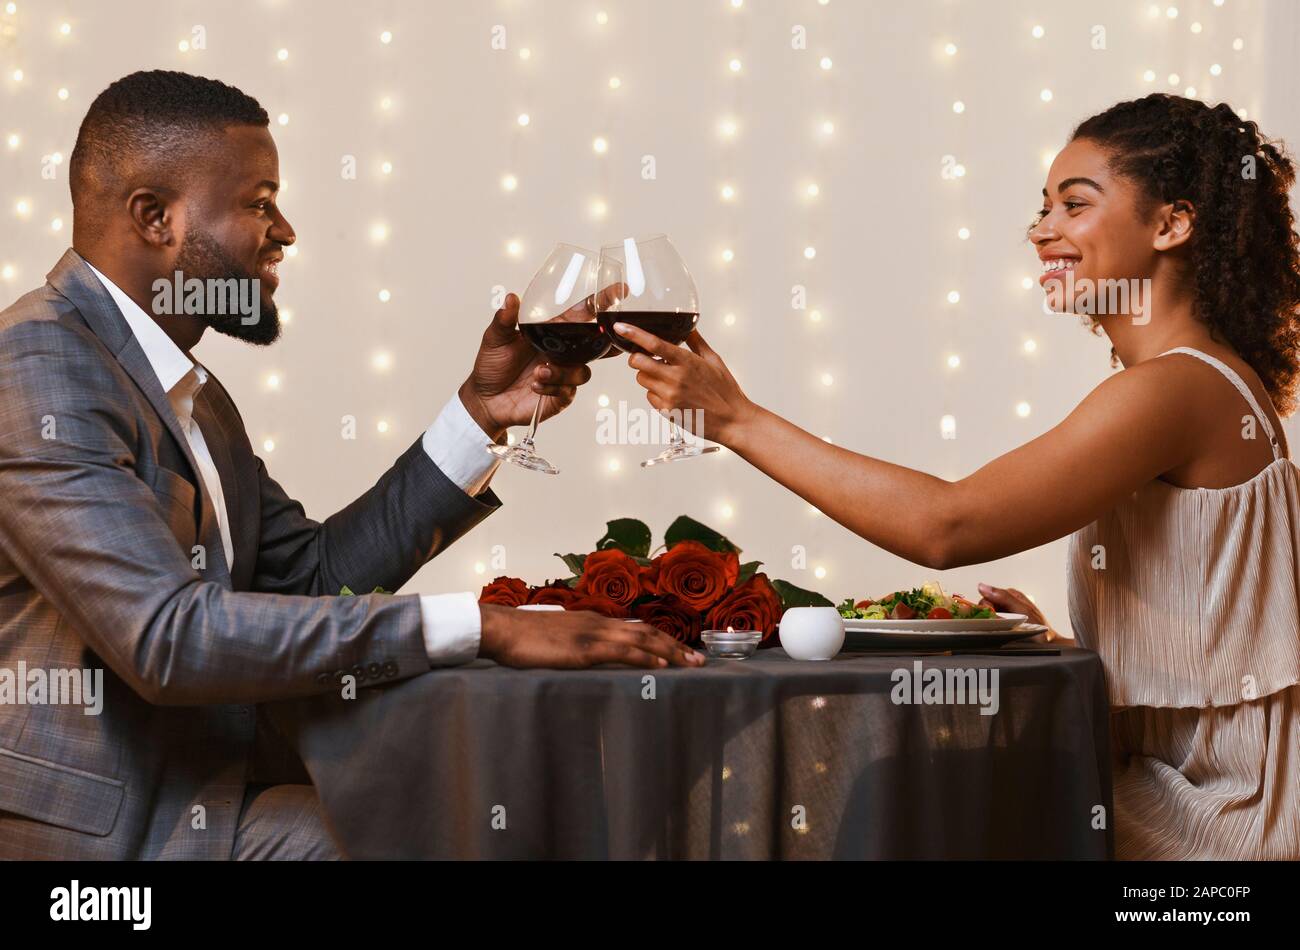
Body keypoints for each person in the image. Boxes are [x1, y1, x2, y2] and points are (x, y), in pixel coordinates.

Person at [0, 70, 702, 861]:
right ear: (155, 218)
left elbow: (317, 578)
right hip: (107, 838)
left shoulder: (192, 394)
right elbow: (168, 637)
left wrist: (478, 414)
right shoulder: (37, 360)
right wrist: (482, 627)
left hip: (218, 792)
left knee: (503, 822)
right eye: (259, 202)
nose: (287, 230)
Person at [619, 93, 1300, 859]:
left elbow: (947, 527)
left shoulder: (1174, 389)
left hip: (1216, 827)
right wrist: (1066, 639)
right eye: (1042, 208)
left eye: (1075, 204)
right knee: (900, 788)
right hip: (1173, 790)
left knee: (896, 797)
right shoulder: (1197, 383)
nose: (1043, 230)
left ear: (1172, 224)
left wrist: (736, 420)